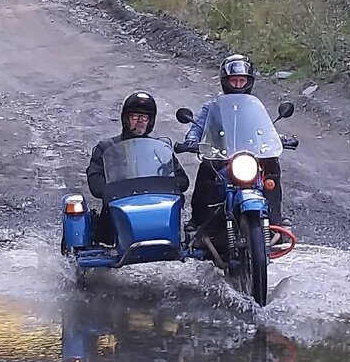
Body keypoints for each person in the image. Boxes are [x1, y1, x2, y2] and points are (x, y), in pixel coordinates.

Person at [183, 54, 288, 246]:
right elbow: (198, 127)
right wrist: (192, 140)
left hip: (251, 155)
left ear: (249, 82)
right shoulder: (213, 106)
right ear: (226, 81)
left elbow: (265, 129)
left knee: (272, 166)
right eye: (234, 80)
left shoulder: (254, 106)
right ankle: (198, 221)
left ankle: (275, 219)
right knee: (207, 167)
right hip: (223, 154)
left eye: (242, 80)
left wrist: (279, 139)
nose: (238, 84)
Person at [86, 91, 189, 245]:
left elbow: (182, 179)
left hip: (156, 209)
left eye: (144, 117)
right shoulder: (106, 148)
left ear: (150, 121)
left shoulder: (160, 150)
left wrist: (172, 184)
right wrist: (110, 190)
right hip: (118, 211)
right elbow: (95, 180)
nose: (139, 121)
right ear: (126, 119)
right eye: (135, 116)